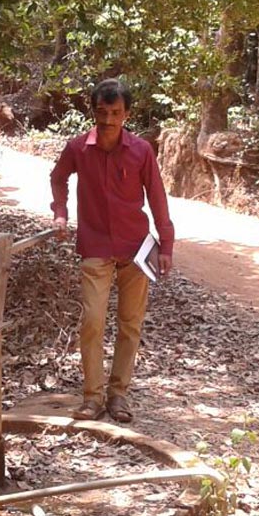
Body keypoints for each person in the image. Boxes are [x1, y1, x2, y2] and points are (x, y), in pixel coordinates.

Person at [50, 78, 175, 423]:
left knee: (130, 324)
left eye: (116, 113)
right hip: (95, 246)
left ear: (127, 114)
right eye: (102, 112)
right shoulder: (78, 148)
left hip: (136, 249)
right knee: (92, 321)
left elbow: (157, 197)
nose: (108, 120)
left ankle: (118, 395)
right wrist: (60, 212)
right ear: (93, 111)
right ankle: (92, 397)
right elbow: (58, 178)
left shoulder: (141, 151)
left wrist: (166, 244)